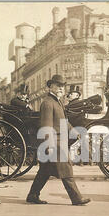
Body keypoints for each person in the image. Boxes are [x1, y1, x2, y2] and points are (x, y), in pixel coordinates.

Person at [26, 74, 90, 206]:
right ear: (50, 87)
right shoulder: (48, 103)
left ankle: (33, 195)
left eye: (62, 86)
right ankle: (76, 198)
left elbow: (64, 122)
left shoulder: (58, 102)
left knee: (44, 171)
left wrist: (74, 131)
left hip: (60, 140)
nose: (61, 88)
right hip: (55, 142)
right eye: (58, 85)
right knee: (66, 169)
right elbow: (46, 126)